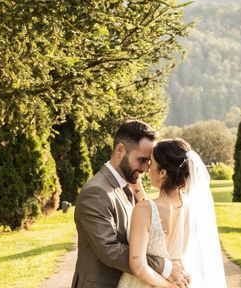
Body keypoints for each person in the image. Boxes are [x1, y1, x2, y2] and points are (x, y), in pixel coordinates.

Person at [72, 120, 190, 288]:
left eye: (149, 162)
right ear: (120, 149)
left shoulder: (130, 185)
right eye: (142, 160)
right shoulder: (96, 192)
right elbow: (109, 250)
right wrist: (164, 266)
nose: (146, 168)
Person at [118, 138, 227, 288]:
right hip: (181, 281)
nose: (148, 168)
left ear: (162, 172)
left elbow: (138, 266)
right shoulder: (193, 208)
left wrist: (167, 286)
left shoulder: (143, 210)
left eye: (152, 163)